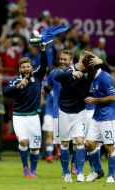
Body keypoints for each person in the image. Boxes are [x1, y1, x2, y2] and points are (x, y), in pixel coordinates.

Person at [54, 51, 103, 182]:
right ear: (80, 60)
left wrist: (101, 62)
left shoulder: (90, 72)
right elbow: (57, 77)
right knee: (64, 143)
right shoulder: (69, 70)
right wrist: (72, 73)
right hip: (64, 111)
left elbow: (106, 72)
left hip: (80, 111)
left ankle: (80, 172)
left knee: (80, 142)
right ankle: (66, 172)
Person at [4, 45, 47, 178]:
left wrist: (43, 50)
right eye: (23, 67)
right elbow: (6, 92)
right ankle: (25, 167)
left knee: (35, 146)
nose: (26, 69)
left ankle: (33, 171)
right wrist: (18, 86)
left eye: (28, 66)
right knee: (23, 142)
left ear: (31, 67)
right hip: (19, 117)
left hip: (34, 116)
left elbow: (44, 64)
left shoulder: (38, 77)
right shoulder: (16, 80)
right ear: (19, 69)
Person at [83, 54, 115, 183]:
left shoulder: (105, 78)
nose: (86, 71)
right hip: (97, 115)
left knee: (109, 147)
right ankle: (97, 171)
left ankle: (111, 175)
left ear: (94, 68)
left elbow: (113, 97)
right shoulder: (94, 77)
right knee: (89, 144)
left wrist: (95, 100)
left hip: (108, 116)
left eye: (87, 68)